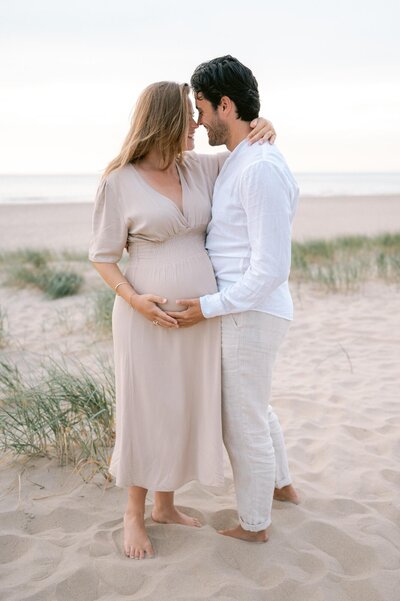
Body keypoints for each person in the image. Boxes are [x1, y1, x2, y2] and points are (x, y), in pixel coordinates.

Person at [89, 81, 275, 559]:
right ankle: (134, 512)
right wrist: (135, 300)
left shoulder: (199, 169)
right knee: (145, 407)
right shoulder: (118, 181)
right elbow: (103, 257)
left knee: (180, 406)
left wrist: (267, 125)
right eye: (188, 117)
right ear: (164, 121)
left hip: (198, 316)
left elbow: (244, 150)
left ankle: (165, 505)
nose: (197, 124)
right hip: (144, 316)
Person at [167, 56, 300, 543]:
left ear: (227, 105)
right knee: (255, 407)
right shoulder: (245, 156)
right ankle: (283, 487)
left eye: (202, 109)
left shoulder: (259, 166)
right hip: (245, 310)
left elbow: (270, 269)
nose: (198, 122)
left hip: (248, 312)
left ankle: (254, 526)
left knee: (241, 422)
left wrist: (207, 306)